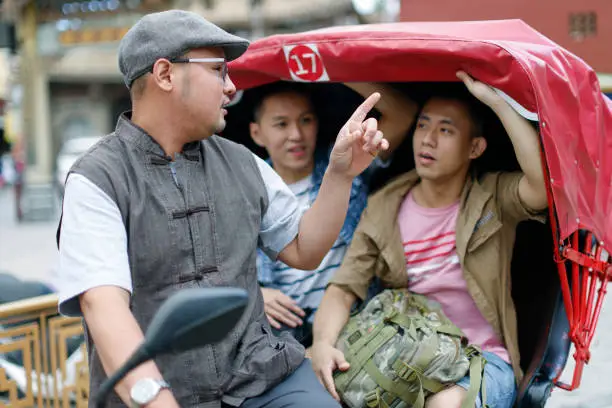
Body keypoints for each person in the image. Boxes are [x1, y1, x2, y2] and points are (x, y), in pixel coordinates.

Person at [55, 10, 389, 408]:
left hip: (258, 376)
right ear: (165, 75)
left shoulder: (242, 162)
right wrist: (153, 397)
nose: (232, 87)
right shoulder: (97, 178)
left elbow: (304, 249)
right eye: (217, 70)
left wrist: (339, 174)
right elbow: (103, 307)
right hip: (157, 388)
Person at [310, 74, 548, 408]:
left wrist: (497, 101)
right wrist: (323, 343)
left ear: (475, 147)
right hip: (406, 356)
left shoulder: (490, 197)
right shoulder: (385, 205)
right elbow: (344, 287)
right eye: (423, 126)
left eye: (446, 130)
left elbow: (540, 187)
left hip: (479, 359)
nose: (428, 140)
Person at [248, 82, 415, 347]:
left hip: (356, 325)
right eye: (281, 124)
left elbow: (403, 113)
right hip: (278, 337)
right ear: (257, 133)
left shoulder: (347, 161)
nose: (296, 134)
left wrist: (334, 67)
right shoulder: (245, 187)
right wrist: (253, 295)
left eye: (306, 120)